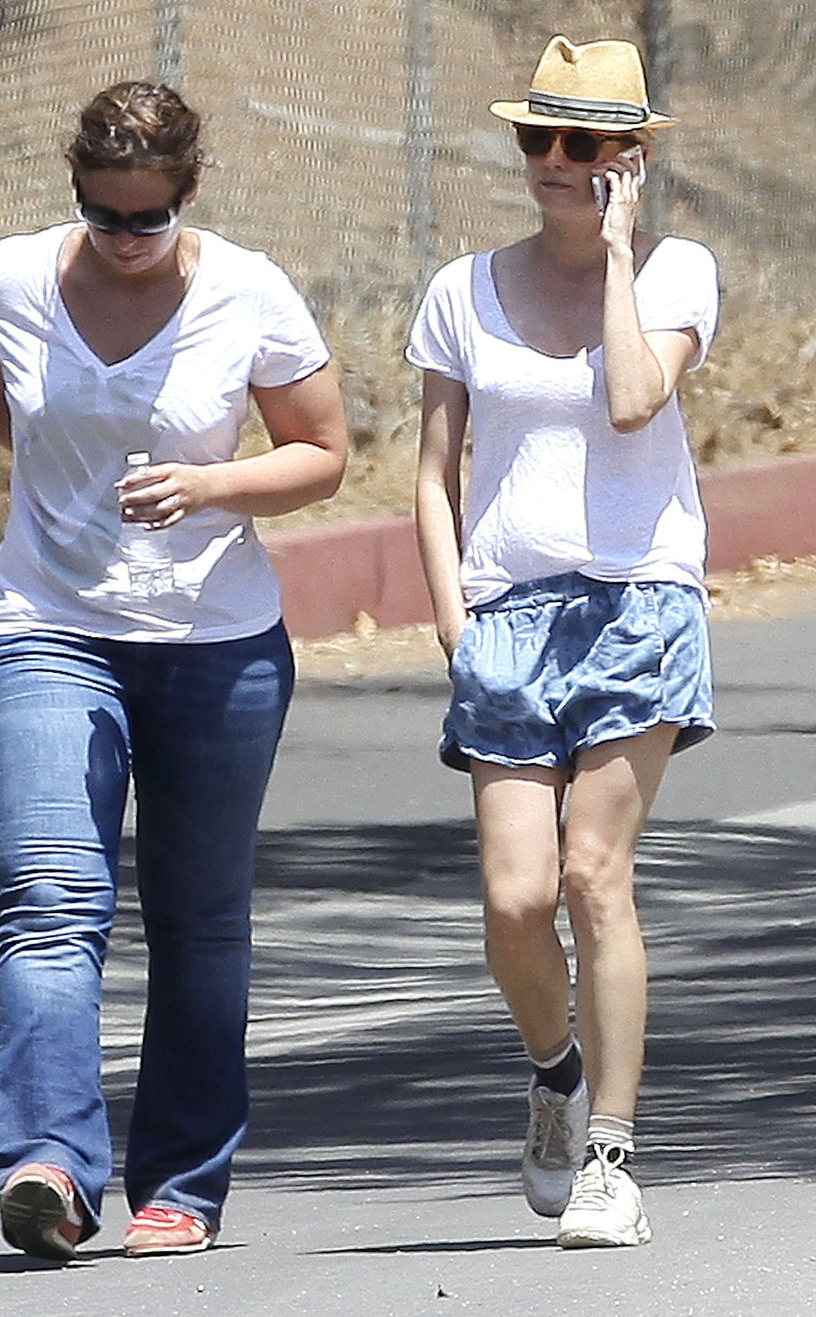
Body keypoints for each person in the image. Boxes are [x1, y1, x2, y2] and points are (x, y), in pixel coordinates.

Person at [0, 81, 347, 1261]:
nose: (124, 241)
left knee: (198, 921)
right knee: (50, 898)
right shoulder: (7, 280)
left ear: (186, 196)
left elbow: (322, 451)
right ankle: (48, 1166)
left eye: (147, 220)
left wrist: (212, 484)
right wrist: (0, 448)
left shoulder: (246, 291)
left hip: (217, 646)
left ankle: (182, 1183)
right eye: (103, 215)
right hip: (47, 626)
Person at [407, 36, 718, 1248]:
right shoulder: (461, 288)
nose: (550, 161)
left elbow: (635, 399)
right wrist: (452, 620)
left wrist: (621, 253)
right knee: (512, 899)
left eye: (579, 143)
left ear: (628, 158)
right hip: (506, 615)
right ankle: (554, 1070)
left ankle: (610, 1155)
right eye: (535, 139)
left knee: (594, 876)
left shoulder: (677, 271)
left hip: (641, 598)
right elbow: (433, 473)